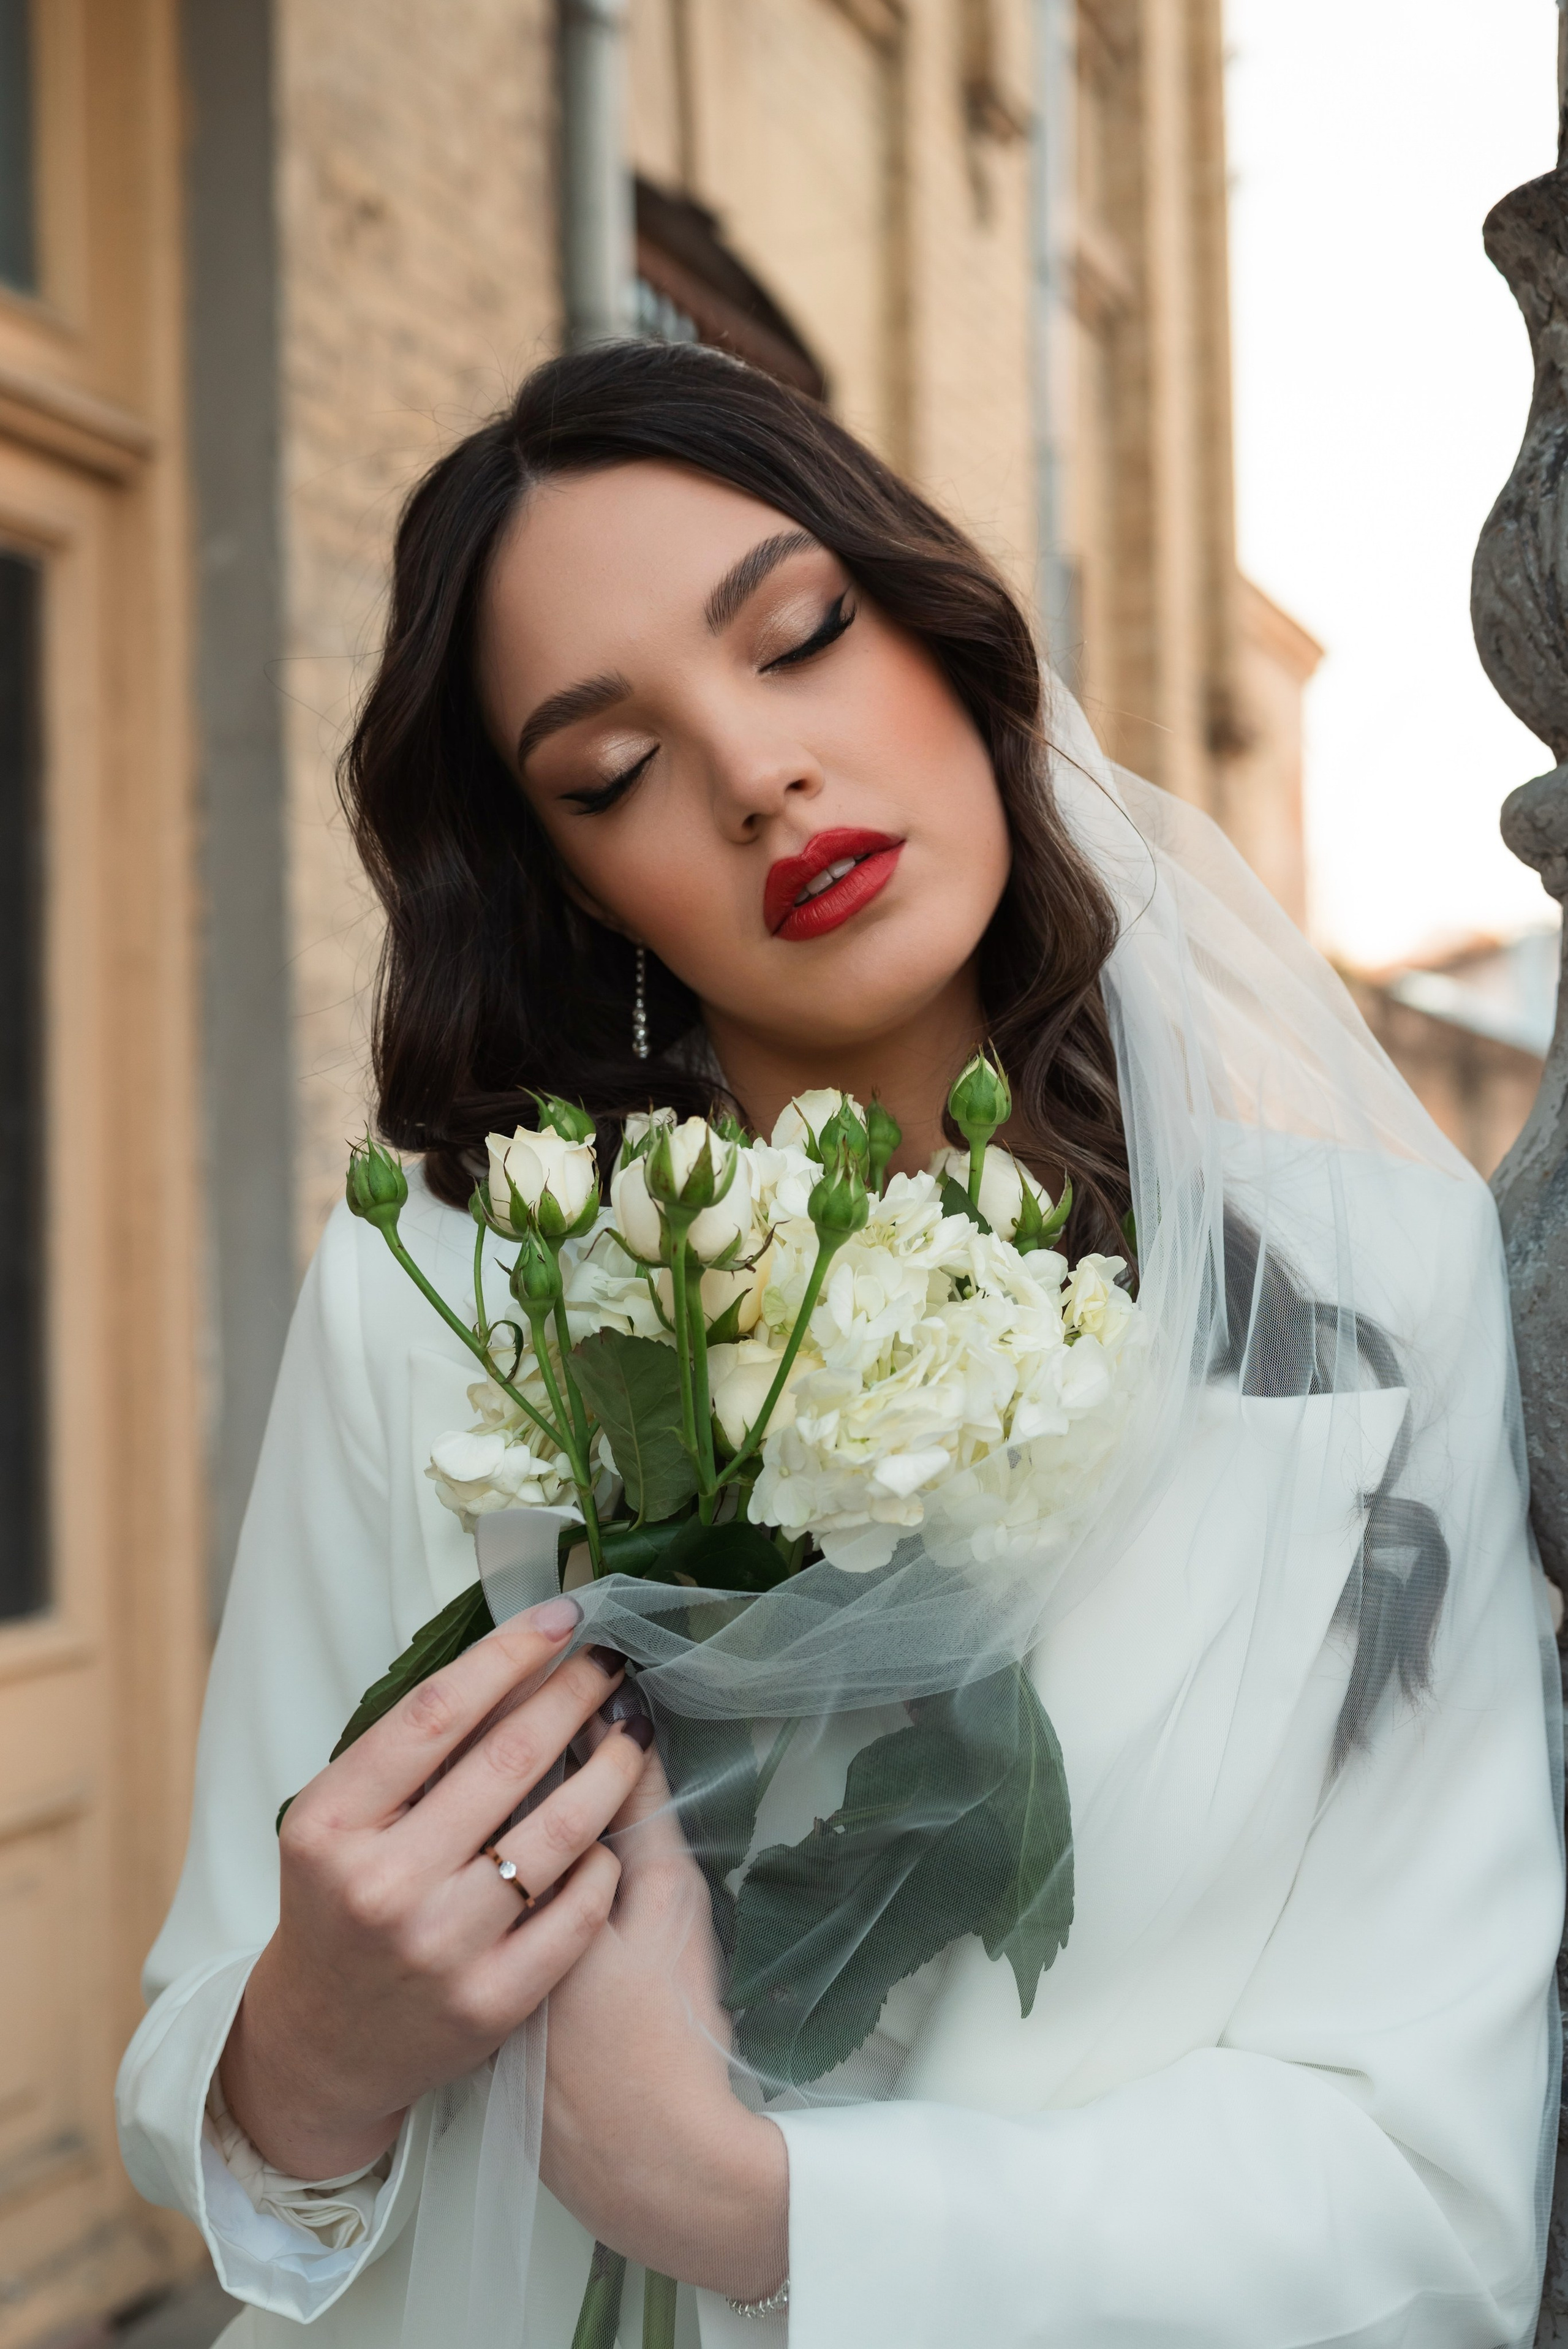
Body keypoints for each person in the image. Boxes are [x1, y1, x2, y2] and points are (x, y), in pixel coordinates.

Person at [118, 341, 1563, 2347]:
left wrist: (755, 2207)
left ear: (944, 629)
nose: (754, 773)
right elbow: (228, 2086)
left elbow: (1431, 2189)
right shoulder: (453, 1286)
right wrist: (308, 2045)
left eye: (798, 637)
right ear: (571, 879)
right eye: (611, 774)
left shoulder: (1375, 1295)